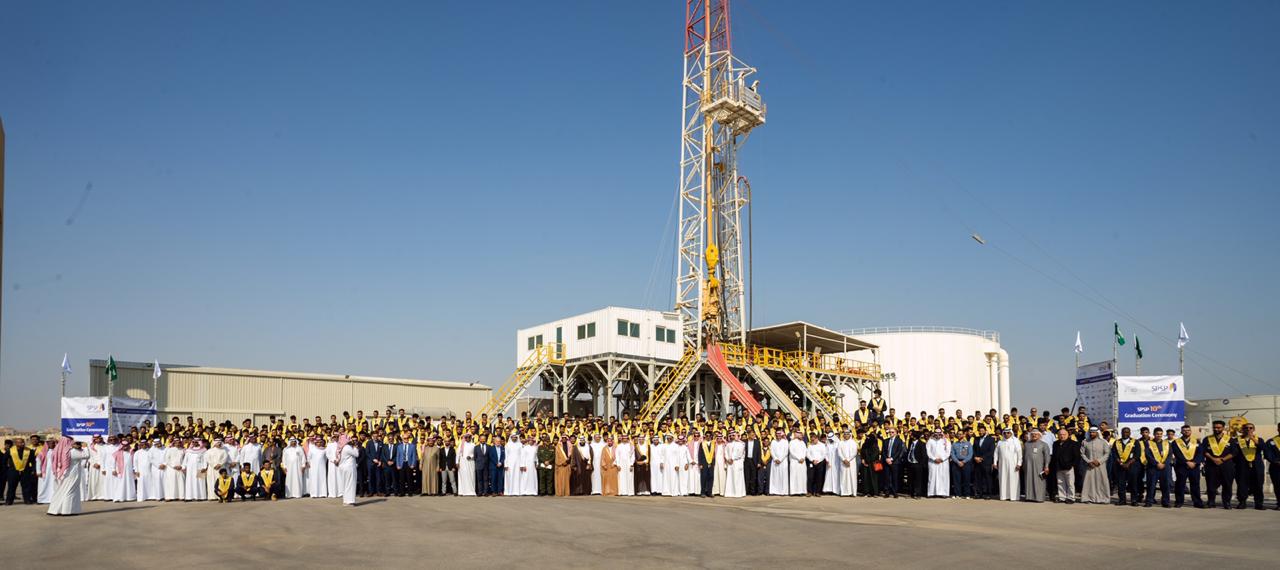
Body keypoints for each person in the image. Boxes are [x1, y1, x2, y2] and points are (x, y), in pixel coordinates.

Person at [47, 437, 90, 516]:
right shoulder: (72, 452)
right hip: (72, 474)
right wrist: (85, 446)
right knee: (70, 492)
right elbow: (86, 455)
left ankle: (54, 509)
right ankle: (67, 511)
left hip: (61, 474)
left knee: (61, 491)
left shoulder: (57, 451)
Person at [1201, 420, 1236, 509]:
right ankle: (1211, 502)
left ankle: (1227, 502)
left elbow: (1234, 452)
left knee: (1227, 485)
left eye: (1218, 427)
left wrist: (1223, 459)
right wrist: (1214, 459)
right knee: (1211, 485)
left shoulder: (1230, 439)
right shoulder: (1207, 439)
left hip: (1226, 465)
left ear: (1223, 428)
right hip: (1211, 465)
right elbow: (1204, 451)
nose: (1216, 429)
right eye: (1215, 427)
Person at [1171, 425, 1203, 508]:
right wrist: (1186, 462)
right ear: (1181, 432)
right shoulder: (1176, 442)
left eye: (1188, 430)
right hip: (1181, 466)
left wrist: (1195, 462)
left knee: (1195, 485)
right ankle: (1179, 501)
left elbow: (1200, 453)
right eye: (1184, 430)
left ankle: (1197, 502)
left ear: (1191, 431)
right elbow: (1177, 454)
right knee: (1180, 485)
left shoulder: (1196, 441)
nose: (1186, 432)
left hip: (1194, 467)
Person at [1235, 423, 1266, 510]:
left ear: (1253, 429)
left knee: (1258, 484)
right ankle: (1242, 502)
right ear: (1243, 429)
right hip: (1242, 465)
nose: (1248, 429)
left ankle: (1259, 503)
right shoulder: (1237, 440)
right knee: (1242, 484)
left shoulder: (1259, 439)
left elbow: (1263, 448)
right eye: (1246, 428)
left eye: (1250, 428)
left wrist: (1253, 438)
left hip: (1256, 465)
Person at [1079, 427, 1111, 504]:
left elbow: (1107, 453)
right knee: (1088, 482)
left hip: (1100, 465)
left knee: (1102, 481)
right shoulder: (1085, 442)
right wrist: (1088, 461)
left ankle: (1103, 499)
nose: (1092, 434)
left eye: (1093, 432)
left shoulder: (1103, 442)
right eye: (1090, 432)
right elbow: (1082, 453)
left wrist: (1099, 461)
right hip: (1089, 466)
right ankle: (1087, 498)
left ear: (1097, 433)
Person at [1142, 427, 1172, 508]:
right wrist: (1156, 464)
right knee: (1151, 485)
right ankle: (1149, 501)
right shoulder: (1149, 443)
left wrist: (1164, 463)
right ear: (1154, 434)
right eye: (1157, 434)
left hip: (1165, 468)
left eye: (1160, 434)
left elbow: (1169, 455)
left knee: (1165, 485)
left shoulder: (1167, 443)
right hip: (1153, 467)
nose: (1159, 435)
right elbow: (1148, 455)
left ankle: (1166, 502)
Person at [1050, 428, 1081, 504]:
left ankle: (1071, 498)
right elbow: (1054, 455)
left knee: (1070, 483)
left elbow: (1077, 456)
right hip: (1058, 466)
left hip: (1069, 467)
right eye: (1060, 434)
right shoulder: (1055, 443)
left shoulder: (1074, 443)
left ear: (1068, 435)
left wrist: (1072, 465)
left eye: (1064, 434)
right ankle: (1062, 497)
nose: (1062, 436)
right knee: (1060, 483)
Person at [1113, 427, 1141, 506]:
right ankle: (1122, 500)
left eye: (1127, 432)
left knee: (1133, 484)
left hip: (1132, 466)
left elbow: (1137, 455)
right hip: (1120, 466)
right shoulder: (1117, 442)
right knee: (1121, 484)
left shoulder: (1135, 442)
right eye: (1124, 432)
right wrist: (1121, 463)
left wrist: (1128, 464)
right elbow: (1114, 454)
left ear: (1130, 433)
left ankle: (1134, 500)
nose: (1125, 434)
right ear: (1121, 433)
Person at [6, 437, 37, 505]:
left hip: (25, 471)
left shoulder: (29, 451)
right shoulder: (10, 451)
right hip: (13, 471)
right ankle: (9, 501)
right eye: (20, 442)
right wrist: (7, 470)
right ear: (16, 443)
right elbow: (4, 461)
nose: (22, 444)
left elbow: (34, 462)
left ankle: (27, 500)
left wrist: (33, 470)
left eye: (23, 442)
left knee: (26, 487)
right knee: (11, 487)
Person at [1021, 429, 1050, 502]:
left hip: (1039, 466)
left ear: (1039, 435)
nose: (1034, 435)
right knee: (1028, 480)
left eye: (1036, 434)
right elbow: (1023, 455)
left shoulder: (1044, 444)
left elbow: (1047, 456)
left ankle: (1039, 498)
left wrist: (1046, 466)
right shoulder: (1027, 444)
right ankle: (1029, 497)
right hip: (1028, 466)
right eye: (1032, 434)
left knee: (1039, 481)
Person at [971, 424, 995, 499]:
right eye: (979, 431)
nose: (981, 432)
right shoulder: (976, 439)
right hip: (977, 462)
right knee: (978, 478)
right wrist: (975, 457)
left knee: (987, 478)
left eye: (982, 431)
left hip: (986, 462)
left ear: (985, 431)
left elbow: (991, 451)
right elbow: (974, 449)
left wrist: (981, 458)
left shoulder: (991, 439)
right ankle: (979, 493)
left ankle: (988, 493)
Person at [881, 427, 905, 498]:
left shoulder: (899, 441)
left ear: (896, 433)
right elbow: (883, 451)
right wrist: (886, 459)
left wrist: (892, 459)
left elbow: (899, 451)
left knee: (895, 477)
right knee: (887, 477)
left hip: (894, 462)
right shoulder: (885, 441)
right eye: (890, 432)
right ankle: (887, 492)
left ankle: (895, 492)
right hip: (886, 461)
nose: (891, 433)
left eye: (892, 432)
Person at [925, 430, 950, 498]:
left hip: (943, 462)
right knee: (932, 477)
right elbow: (928, 451)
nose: (938, 435)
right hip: (933, 462)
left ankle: (944, 493)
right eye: (936, 433)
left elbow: (948, 452)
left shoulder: (946, 441)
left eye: (939, 433)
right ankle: (931, 493)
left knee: (943, 477)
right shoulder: (930, 441)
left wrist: (942, 459)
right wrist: (934, 458)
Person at [393, 432, 418, 497]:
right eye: (404, 438)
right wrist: (397, 465)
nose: (406, 439)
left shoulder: (412, 446)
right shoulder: (399, 446)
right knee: (402, 479)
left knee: (409, 479)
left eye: (407, 438)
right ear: (402, 439)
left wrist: (413, 464)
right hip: (402, 464)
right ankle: (402, 492)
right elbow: (398, 456)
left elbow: (414, 456)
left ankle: (410, 492)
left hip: (409, 463)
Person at [337, 437, 360, 505]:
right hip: (349, 468)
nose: (351, 441)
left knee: (346, 484)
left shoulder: (342, 448)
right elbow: (356, 454)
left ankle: (346, 500)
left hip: (344, 468)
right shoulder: (347, 447)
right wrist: (355, 447)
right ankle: (350, 501)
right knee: (350, 484)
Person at [950, 432, 973, 499]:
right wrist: (957, 462)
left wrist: (963, 461)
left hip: (966, 463)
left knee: (966, 479)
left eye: (960, 434)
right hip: (956, 463)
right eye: (958, 434)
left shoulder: (968, 444)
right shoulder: (954, 444)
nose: (959, 435)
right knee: (957, 479)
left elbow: (970, 454)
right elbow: (952, 454)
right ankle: (958, 494)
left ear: (963, 435)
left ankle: (967, 494)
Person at [723, 432, 745, 498]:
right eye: (731, 435)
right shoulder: (728, 444)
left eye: (733, 435)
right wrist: (728, 459)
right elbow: (725, 452)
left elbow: (740, 453)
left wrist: (732, 458)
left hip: (737, 463)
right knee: (730, 478)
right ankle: (730, 493)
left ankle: (738, 493)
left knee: (737, 478)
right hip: (730, 463)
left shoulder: (741, 444)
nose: (732, 436)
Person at [836, 430, 858, 497]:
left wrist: (848, 460)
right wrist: (844, 460)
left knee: (852, 476)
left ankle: (852, 492)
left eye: (847, 434)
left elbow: (854, 452)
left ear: (850, 435)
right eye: (845, 434)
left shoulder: (853, 443)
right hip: (843, 462)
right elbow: (839, 452)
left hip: (851, 462)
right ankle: (844, 492)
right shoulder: (840, 443)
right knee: (843, 477)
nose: (846, 435)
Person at [907, 431, 928, 499]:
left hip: (918, 464)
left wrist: (921, 464)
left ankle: (918, 494)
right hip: (911, 463)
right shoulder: (911, 443)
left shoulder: (922, 444)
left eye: (912, 435)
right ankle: (912, 493)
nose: (910, 436)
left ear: (915, 436)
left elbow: (924, 455)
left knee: (918, 480)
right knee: (911, 479)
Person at [768, 431, 789, 495]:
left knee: (783, 476)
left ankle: (783, 491)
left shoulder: (785, 442)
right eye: (777, 434)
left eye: (779, 434)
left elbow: (786, 451)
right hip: (775, 461)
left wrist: (780, 459)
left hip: (783, 461)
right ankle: (774, 491)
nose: (778, 435)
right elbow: (771, 451)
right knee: (775, 476)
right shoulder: (773, 441)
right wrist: (775, 458)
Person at [788, 432, 807, 496]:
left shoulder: (803, 443)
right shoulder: (792, 442)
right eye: (800, 435)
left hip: (802, 462)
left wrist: (803, 458)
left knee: (802, 476)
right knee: (794, 476)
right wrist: (799, 458)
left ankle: (801, 491)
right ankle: (794, 491)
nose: (802, 436)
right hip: (795, 461)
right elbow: (792, 452)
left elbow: (805, 451)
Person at [1267, 423, 1280, 511]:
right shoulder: (1271, 441)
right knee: (1278, 486)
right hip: (1276, 467)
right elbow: (1268, 454)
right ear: (1278, 429)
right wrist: (1276, 461)